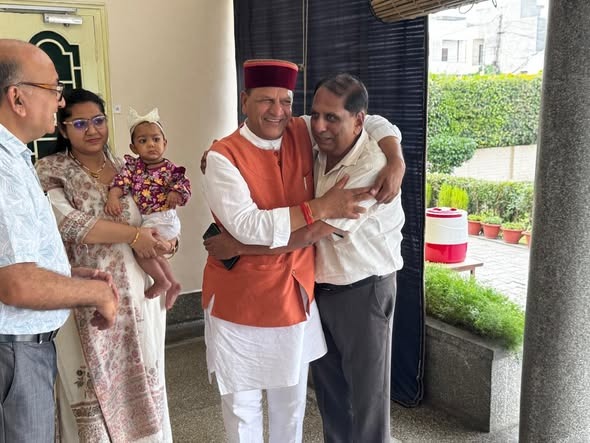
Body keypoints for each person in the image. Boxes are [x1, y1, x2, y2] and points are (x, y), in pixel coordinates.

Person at [202, 59, 404, 442]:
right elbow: (248, 223)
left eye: (285, 101)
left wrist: (395, 158)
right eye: (265, 100)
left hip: (343, 289)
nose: (277, 111)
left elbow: (310, 233)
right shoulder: (232, 154)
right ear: (244, 101)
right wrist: (320, 206)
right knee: (284, 400)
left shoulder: (346, 154)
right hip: (258, 296)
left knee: (330, 401)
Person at [35, 88, 173, 442]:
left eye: (98, 120)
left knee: (145, 378)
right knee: (90, 388)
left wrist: (167, 243)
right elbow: (70, 224)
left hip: (140, 296)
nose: (93, 130)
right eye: (80, 123)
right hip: (86, 299)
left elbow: (156, 215)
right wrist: (134, 235)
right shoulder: (50, 170)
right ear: (63, 129)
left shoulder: (130, 167)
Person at [0, 39, 118, 443]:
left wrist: (65, 275)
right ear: (17, 98)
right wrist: (96, 293)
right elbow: (16, 284)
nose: (60, 100)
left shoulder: (15, 157)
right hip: (13, 352)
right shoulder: (5, 169)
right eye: (53, 89)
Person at [309, 74, 404, 442]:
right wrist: (222, 151)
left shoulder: (372, 164)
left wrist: (242, 247)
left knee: (367, 399)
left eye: (332, 118)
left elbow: (315, 230)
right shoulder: (320, 140)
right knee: (330, 393)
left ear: (357, 120)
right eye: (316, 114)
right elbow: (277, 121)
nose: (319, 126)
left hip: (364, 289)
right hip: (322, 285)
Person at [105, 107, 191, 310]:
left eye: (156, 139)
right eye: (143, 141)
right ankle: (172, 283)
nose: (151, 144)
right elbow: (120, 182)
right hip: (150, 219)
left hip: (164, 217)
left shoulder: (170, 169)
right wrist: (113, 196)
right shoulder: (133, 168)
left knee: (140, 250)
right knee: (154, 254)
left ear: (165, 143)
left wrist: (176, 193)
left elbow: (183, 184)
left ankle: (161, 281)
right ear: (133, 147)